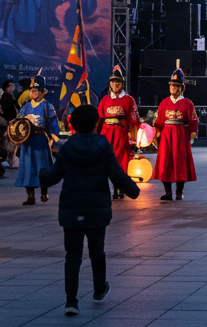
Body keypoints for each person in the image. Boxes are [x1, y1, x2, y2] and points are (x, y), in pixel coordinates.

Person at [38, 103, 140, 316]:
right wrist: (133, 191)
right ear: (96, 124)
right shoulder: (103, 145)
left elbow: (52, 176)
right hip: (97, 208)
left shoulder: (67, 148)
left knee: (72, 255)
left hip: (72, 208)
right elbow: (117, 174)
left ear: (74, 125)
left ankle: (71, 302)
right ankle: (99, 288)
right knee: (97, 251)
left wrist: (42, 174)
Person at [153, 70, 197, 201]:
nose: (174, 88)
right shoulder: (164, 102)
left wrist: (191, 131)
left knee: (180, 162)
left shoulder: (187, 103)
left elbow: (193, 120)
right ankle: (168, 192)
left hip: (181, 135)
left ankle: (179, 192)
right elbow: (159, 120)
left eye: (177, 86)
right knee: (165, 161)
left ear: (182, 87)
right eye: (172, 85)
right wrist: (156, 133)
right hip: (167, 135)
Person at [16, 76, 59, 206]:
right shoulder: (26, 107)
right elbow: (19, 122)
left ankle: (44, 192)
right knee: (28, 167)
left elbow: (53, 121)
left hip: (40, 140)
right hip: (28, 141)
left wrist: (53, 136)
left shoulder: (47, 106)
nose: (33, 92)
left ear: (43, 92)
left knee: (42, 168)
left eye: (36, 89)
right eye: (31, 89)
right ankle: (30, 196)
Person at [99, 69, 139, 200]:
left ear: (122, 84)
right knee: (106, 162)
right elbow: (99, 119)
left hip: (121, 134)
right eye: (113, 82)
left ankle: (120, 188)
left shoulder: (128, 100)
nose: (116, 84)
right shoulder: (104, 100)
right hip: (106, 134)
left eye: (118, 82)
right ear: (109, 84)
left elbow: (134, 121)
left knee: (121, 161)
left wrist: (134, 140)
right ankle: (110, 189)